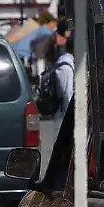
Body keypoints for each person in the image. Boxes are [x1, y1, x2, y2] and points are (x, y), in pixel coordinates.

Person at [36, 34, 75, 180]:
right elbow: (67, 94)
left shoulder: (66, 62)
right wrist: (71, 120)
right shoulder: (66, 66)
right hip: (62, 117)